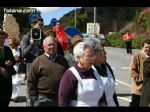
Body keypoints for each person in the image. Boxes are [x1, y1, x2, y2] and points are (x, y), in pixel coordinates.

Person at [58, 42, 104, 107]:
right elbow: (63, 101)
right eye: (88, 56)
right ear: (78, 58)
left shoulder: (95, 73)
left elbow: (102, 97)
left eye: (92, 56)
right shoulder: (70, 75)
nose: (91, 59)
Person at [27, 35, 69, 107]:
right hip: (43, 99)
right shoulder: (38, 61)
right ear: (44, 47)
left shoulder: (62, 60)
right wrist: (35, 98)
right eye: (49, 45)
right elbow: (31, 81)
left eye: (54, 44)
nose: (52, 47)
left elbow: (68, 78)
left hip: (59, 98)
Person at [20, 18, 46, 106]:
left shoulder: (44, 37)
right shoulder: (26, 37)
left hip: (43, 70)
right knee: (30, 96)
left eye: (42, 25)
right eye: (40, 25)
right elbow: (23, 54)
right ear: (33, 25)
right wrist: (31, 44)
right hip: (30, 70)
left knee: (42, 96)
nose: (41, 27)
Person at [88, 38, 119, 107]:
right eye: (102, 51)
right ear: (94, 54)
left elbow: (113, 93)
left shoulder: (107, 66)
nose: (105, 53)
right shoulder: (89, 69)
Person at [129, 39, 150, 107]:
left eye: (149, 47)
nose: (148, 49)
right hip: (139, 88)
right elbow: (132, 71)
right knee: (135, 105)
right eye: (146, 47)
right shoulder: (137, 56)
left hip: (148, 88)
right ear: (142, 47)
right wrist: (142, 79)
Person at [0, 30, 16, 106]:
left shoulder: (7, 49)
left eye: (3, 38)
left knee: (7, 98)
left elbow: (14, 60)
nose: (2, 40)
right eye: (0, 38)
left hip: (7, 78)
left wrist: (11, 62)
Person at [8, 36, 21, 103]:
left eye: (10, 41)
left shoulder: (18, 48)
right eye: (9, 41)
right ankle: (10, 95)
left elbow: (21, 56)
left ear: (14, 41)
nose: (9, 42)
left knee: (16, 82)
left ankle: (15, 97)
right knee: (11, 82)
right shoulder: (7, 49)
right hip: (10, 67)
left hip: (17, 67)